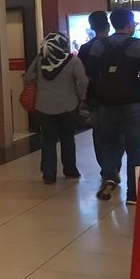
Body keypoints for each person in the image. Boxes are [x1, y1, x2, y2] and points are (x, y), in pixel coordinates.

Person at [87, 9, 140, 205]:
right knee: (133, 148)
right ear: (129, 24)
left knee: (109, 142)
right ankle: (133, 194)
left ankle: (109, 175)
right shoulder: (139, 45)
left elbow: (90, 72)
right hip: (132, 102)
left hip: (106, 103)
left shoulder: (99, 45)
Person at [24, 32, 87, 184]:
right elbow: (83, 81)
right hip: (68, 106)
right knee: (67, 138)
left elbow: (28, 77)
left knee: (48, 140)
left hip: (43, 106)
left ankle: (48, 174)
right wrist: (80, 97)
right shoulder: (73, 60)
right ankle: (70, 170)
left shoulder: (40, 60)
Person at [78, 10, 111, 169]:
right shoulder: (115, 45)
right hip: (114, 97)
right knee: (115, 131)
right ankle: (113, 166)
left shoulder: (85, 48)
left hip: (94, 96)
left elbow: (81, 74)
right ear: (108, 25)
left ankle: (105, 168)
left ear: (91, 27)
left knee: (98, 132)